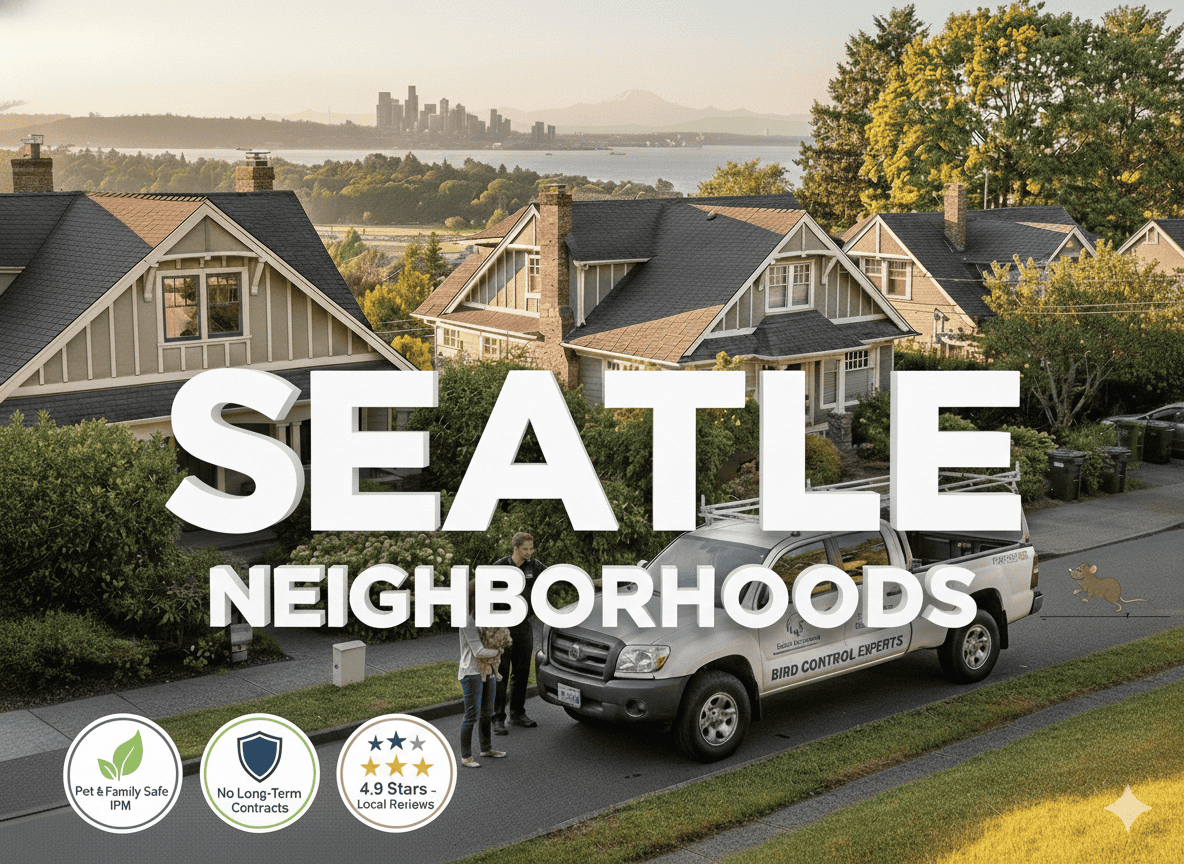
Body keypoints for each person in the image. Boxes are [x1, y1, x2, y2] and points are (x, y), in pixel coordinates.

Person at [491, 531, 547, 735]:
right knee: (501, 673)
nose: (529, 552)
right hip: (502, 626)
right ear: (515, 548)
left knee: (522, 671)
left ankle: (517, 714)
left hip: (524, 625)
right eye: (525, 549)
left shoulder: (535, 566)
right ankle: (497, 718)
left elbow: (553, 577)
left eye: (531, 548)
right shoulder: (499, 567)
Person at [457, 581, 507, 768]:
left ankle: (486, 748)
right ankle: (466, 756)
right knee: (472, 715)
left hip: (488, 670)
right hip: (471, 672)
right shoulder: (466, 620)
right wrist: (498, 651)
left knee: (487, 712)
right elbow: (478, 651)